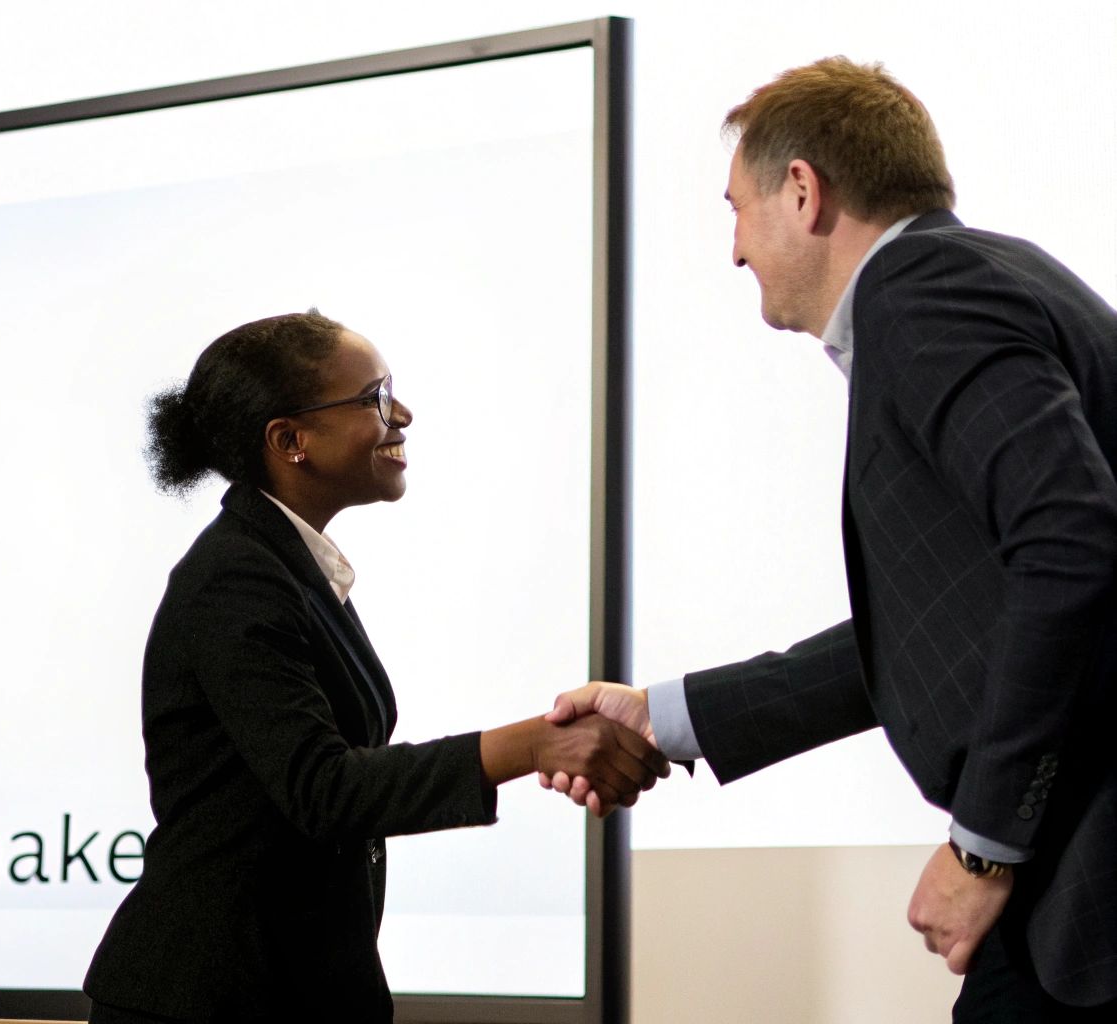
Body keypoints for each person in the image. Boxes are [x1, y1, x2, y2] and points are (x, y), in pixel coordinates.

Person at [540, 58, 1117, 1021]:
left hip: (1080, 876)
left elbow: (1070, 541)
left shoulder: (924, 295)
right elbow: (943, 626)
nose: (733, 252)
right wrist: (668, 715)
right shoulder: (978, 278)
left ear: (802, 191)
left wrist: (981, 847)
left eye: (736, 209)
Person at [83, 311, 668, 1023]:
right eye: (375, 398)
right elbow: (323, 789)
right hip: (210, 997)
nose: (404, 415)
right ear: (289, 440)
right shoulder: (234, 577)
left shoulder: (285, 565)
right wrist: (535, 743)